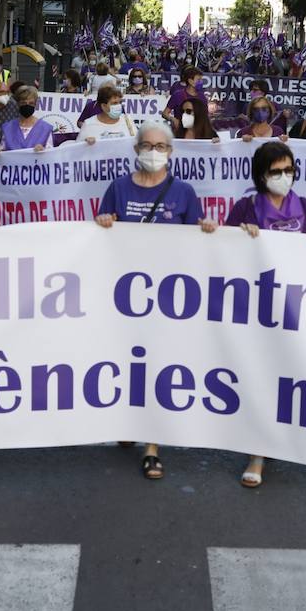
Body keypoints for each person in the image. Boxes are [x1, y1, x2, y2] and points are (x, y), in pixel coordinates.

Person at [95, 122, 216, 479]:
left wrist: (207, 231)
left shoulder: (183, 192)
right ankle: (129, 422)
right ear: (135, 150)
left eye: (160, 146)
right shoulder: (117, 188)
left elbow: (197, 241)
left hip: (166, 300)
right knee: (126, 365)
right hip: (123, 297)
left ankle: (152, 445)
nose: (153, 151)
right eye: (147, 145)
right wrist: (103, 221)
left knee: (159, 367)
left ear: (171, 151)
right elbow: (100, 234)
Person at [224, 141, 306, 488]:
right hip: (256, 308)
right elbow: (219, 252)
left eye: (289, 170)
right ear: (261, 175)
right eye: (276, 171)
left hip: (297, 308)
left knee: (289, 378)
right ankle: (258, 451)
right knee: (262, 377)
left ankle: (284, 437)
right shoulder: (245, 208)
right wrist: (238, 236)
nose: (284, 177)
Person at [0, 85, 54, 153]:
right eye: (23, 103)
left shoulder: (45, 128)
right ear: (18, 104)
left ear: (35, 104)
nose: (27, 105)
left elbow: (51, 155)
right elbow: (2, 151)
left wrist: (43, 151)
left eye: (31, 103)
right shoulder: (8, 127)